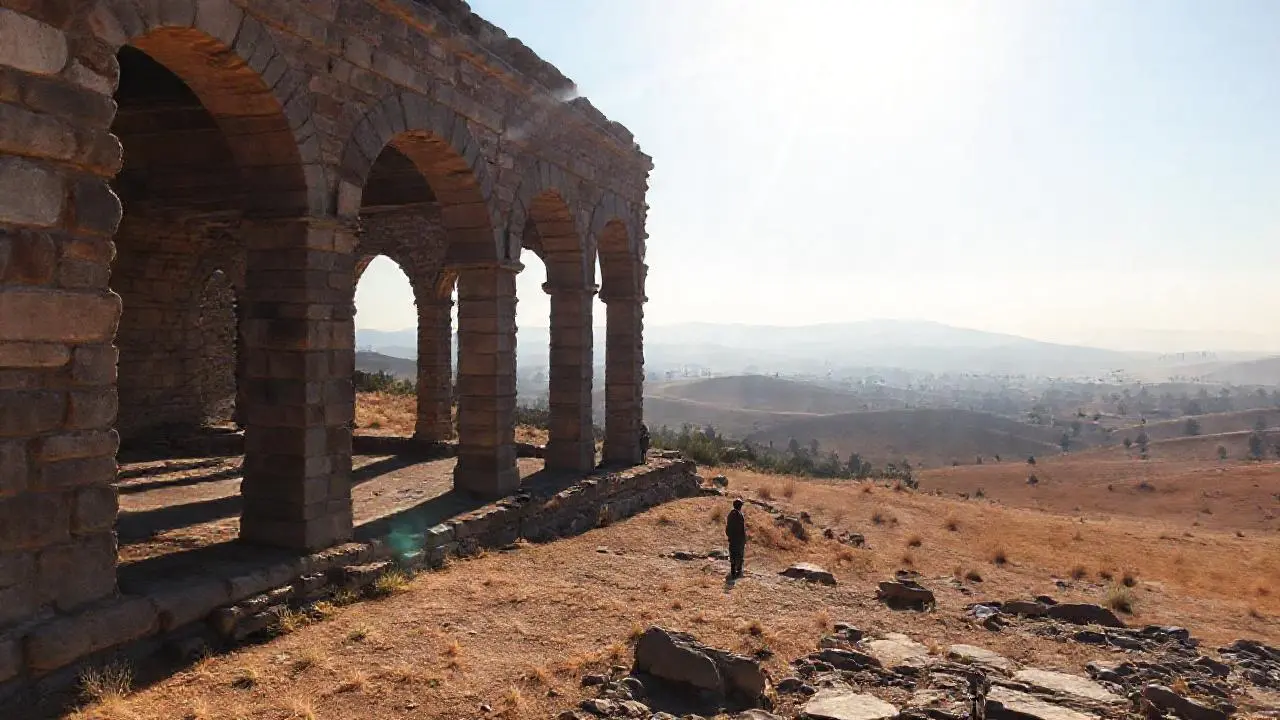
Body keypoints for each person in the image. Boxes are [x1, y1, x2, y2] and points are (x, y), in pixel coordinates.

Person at [725, 498, 747, 578]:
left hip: (732, 539)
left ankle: (733, 571)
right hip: (739, 540)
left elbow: (727, 528)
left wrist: (730, 536)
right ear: (740, 506)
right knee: (740, 555)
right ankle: (739, 571)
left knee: (733, 555)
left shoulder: (730, 514)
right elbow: (742, 529)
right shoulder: (739, 515)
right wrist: (744, 539)